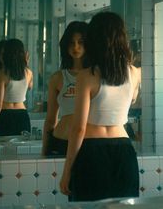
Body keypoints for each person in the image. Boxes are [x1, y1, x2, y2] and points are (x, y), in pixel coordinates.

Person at [60, 11, 141, 201]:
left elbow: (79, 128)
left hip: (92, 151)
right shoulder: (134, 73)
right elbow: (132, 100)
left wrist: (67, 170)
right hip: (124, 150)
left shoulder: (87, 76)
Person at [42, 21, 88, 157]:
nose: (76, 47)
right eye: (71, 42)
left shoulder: (96, 76)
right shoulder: (57, 78)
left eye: (81, 42)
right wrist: (44, 150)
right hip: (60, 141)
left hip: (88, 143)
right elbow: (50, 119)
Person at [0, 38, 33, 137]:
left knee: (2, 149)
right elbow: (29, 87)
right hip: (22, 115)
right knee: (21, 150)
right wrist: (25, 64)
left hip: (5, 115)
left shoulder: (3, 74)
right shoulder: (29, 73)